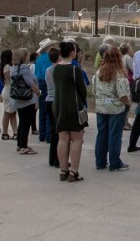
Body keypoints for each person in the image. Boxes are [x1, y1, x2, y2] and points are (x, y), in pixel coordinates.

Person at [92, 45, 131, 172]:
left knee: (102, 134)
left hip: (101, 107)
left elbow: (93, 89)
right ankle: (115, 163)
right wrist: (128, 104)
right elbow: (123, 94)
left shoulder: (98, 73)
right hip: (116, 109)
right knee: (115, 136)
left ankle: (100, 161)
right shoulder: (119, 75)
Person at [53, 41, 88, 182]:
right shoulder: (75, 70)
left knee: (63, 138)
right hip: (73, 106)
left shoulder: (56, 68)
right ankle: (74, 171)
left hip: (59, 105)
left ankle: (63, 169)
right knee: (77, 139)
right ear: (72, 53)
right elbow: (83, 91)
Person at [11, 48, 41, 155]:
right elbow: (30, 82)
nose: (29, 56)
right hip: (27, 99)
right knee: (26, 123)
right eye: (27, 55)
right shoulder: (24, 68)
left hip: (18, 98)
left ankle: (20, 143)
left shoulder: (14, 68)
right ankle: (24, 146)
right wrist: (38, 92)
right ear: (23, 57)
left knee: (22, 121)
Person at [33, 38, 55, 143]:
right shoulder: (48, 58)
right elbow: (48, 72)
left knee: (42, 109)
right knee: (48, 110)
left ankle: (42, 134)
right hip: (46, 83)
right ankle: (48, 135)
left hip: (39, 82)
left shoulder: (39, 58)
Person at [44, 47, 61, 168]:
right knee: (58, 132)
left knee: (53, 130)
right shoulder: (58, 69)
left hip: (48, 100)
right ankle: (57, 158)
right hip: (56, 100)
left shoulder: (48, 70)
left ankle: (52, 158)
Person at [0, 49, 17, 140]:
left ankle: (15, 132)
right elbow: (8, 80)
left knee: (13, 112)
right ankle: (5, 132)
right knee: (7, 112)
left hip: (10, 90)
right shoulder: (7, 67)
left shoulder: (10, 66)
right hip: (8, 91)